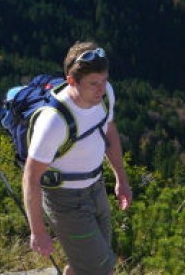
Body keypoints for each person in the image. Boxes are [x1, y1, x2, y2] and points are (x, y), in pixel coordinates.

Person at [22, 42, 133, 274]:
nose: (101, 89)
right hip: (65, 200)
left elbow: (109, 131)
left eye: (104, 80)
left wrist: (121, 179)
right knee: (102, 268)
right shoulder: (53, 122)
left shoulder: (104, 96)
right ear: (71, 81)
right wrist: (38, 231)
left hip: (96, 187)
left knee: (86, 265)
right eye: (93, 83)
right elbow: (31, 178)